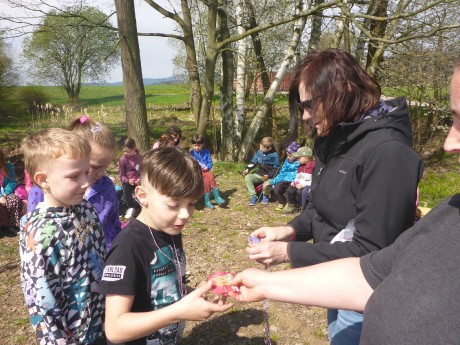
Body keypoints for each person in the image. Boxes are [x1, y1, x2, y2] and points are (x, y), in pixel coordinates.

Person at [230, 59, 460, 345]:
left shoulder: (387, 153)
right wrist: (289, 230)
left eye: (310, 105)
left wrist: (289, 252)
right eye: (301, 107)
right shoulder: (332, 138)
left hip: (366, 290)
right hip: (333, 271)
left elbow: (372, 250)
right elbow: (319, 206)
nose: (304, 116)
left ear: (342, 92)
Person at [100, 147, 233, 344]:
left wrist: (194, 294)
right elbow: (115, 329)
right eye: (173, 205)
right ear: (142, 196)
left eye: (192, 203)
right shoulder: (127, 248)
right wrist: (178, 311)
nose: (185, 214)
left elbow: (161, 288)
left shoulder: (169, 229)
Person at [19, 128, 106, 344]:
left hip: (103, 322)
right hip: (74, 337)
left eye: (86, 172)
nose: (86, 182)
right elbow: (42, 300)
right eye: (74, 176)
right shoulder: (40, 234)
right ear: (43, 179)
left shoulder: (86, 209)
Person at [69, 114, 122, 251]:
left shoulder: (106, 186)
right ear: (74, 155)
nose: (102, 173)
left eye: (107, 166)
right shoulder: (54, 189)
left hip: (106, 254)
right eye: (96, 166)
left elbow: (114, 222)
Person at [189, 134, 225, 209]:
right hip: (197, 172)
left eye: (199, 145)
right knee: (208, 178)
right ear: (193, 145)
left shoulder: (206, 152)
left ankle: (212, 198)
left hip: (205, 171)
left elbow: (210, 162)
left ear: (202, 144)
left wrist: (207, 167)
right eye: (195, 145)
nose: (197, 147)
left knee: (209, 177)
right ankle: (212, 198)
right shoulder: (191, 153)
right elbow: (190, 165)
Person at [242, 136, 280, 206]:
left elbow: (276, 169)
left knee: (266, 185)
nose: (260, 148)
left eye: (263, 148)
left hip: (269, 176)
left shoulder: (274, 155)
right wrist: (247, 169)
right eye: (260, 146)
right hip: (260, 174)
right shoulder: (259, 152)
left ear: (269, 148)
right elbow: (253, 162)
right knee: (248, 177)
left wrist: (268, 176)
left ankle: (265, 196)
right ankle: (253, 196)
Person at [263, 141, 300, 209]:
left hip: (293, 181)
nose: (288, 157)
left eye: (290, 156)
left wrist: (295, 182)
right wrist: (272, 182)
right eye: (287, 155)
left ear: (296, 155)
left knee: (290, 191)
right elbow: (282, 173)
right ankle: (282, 201)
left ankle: (289, 204)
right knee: (276, 190)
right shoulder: (287, 161)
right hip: (284, 179)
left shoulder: (299, 162)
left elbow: (300, 175)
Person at [283, 146, 315, 214]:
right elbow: (298, 177)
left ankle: (302, 207)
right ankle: (292, 205)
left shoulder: (313, 166)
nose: (297, 159)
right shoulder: (301, 166)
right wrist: (295, 182)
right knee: (290, 189)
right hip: (300, 184)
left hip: (308, 186)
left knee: (300, 192)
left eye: (299, 158)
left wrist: (303, 185)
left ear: (306, 158)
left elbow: (314, 180)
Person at [119, 137, 142, 219]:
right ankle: (130, 208)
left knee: (141, 192)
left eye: (128, 151)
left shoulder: (139, 158)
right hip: (128, 181)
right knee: (126, 191)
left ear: (134, 149)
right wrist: (128, 181)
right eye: (124, 151)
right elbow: (121, 176)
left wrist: (140, 179)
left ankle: (139, 208)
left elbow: (142, 172)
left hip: (138, 181)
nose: (125, 153)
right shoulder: (123, 159)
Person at [0, 150, 22, 235]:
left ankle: (12, 225)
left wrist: (5, 194)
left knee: (14, 201)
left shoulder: (8, 167)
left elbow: (12, 182)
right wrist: (0, 196)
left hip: (6, 192)